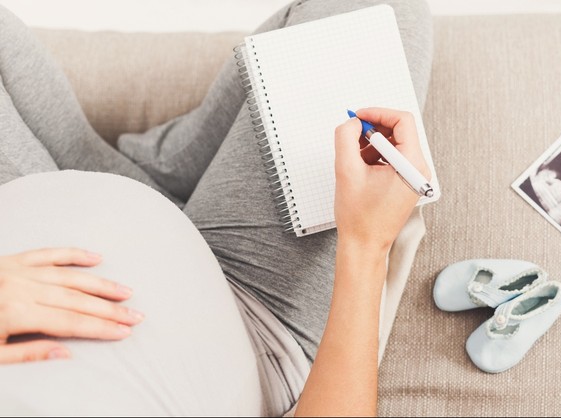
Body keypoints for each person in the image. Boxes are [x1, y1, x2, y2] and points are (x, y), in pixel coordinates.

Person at [0, 0, 432, 416]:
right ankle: (141, 178)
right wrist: (366, 244)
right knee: (377, 15)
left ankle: (133, 169)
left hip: (20, 231)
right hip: (248, 312)